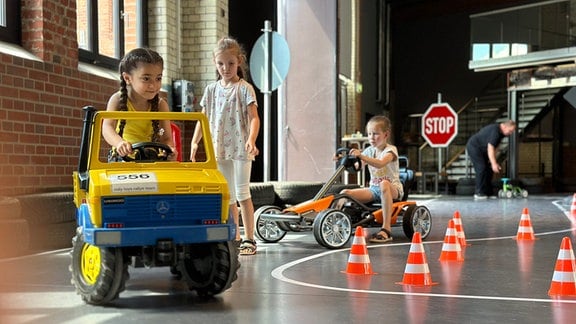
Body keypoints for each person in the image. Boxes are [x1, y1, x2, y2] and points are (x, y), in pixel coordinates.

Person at [190, 37, 260, 255]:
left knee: (242, 192)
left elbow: (254, 117)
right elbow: (203, 117)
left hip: (240, 148)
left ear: (239, 61)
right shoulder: (211, 90)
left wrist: (251, 139)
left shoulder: (244, 88)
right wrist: (195, 141)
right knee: (227, 195)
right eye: (221, 63)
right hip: (218, 148)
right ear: (214, 62)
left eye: (230, 63)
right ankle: (234, 235)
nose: (226, 68)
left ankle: (249, 238)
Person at [102, 47, 176, 161]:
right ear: (127, 78)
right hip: (123, 158)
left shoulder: (161, 105)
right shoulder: (117, 100)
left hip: (151, 158)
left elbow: (166, 138)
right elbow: (107, 128)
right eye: (146, 79)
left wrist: (170, 149)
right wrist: (119, 143)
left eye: (158, 78)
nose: (153, 85)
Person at [340, 115, 404, 243]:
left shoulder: (391, 150)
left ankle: (386, 229)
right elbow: (357, 167)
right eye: (369, 134)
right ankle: (337, 222)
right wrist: (344, 159)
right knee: (344, 193)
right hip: (374, 190)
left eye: (375, 134)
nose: (371, 137)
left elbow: (380, 163)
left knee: (384, 184)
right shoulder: (369, 151)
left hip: (393, 189)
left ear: (386, 135)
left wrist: (362, 156)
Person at [466, 120, 516, 199]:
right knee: (481, 168)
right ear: (504, 126)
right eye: (510, 131)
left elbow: (495, 147)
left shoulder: (501, 133)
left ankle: (488, 192)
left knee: (489, 169)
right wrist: (493, 163)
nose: (510, 133)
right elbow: (491, 147)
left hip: (483, 150)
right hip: (474, 147)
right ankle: (479, 192)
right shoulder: (495, 131)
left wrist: (493, 161)